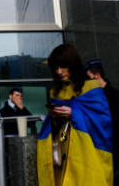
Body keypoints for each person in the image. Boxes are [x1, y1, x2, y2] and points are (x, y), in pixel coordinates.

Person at [37, 45, 112, 186]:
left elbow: (104, 121)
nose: (59, 72)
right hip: (62, 152)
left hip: (85, 152)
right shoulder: (55, 92)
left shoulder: (92, 87)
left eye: (63, 67)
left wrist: (73, 113)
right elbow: (54, 128)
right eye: (56, 68)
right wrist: (53, 117)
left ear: (73, 64)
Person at [84, 58, 119, 186]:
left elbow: (114, 126)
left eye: (89, 79)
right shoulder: (94, 97)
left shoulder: (115, 97)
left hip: (108, 151)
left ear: (97, 76)